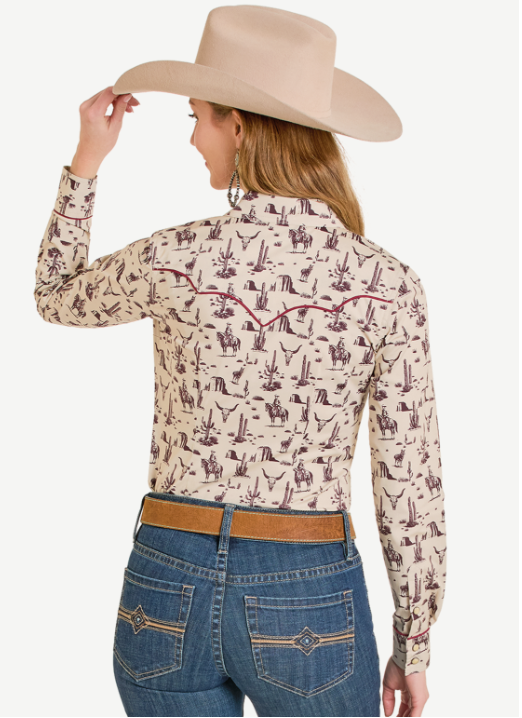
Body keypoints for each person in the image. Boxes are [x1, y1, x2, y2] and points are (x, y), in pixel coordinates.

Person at [33, 6, 446, 717]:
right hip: (307, 587)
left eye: (197, 117)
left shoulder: (177, 257)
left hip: (167, 579)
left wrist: (87, 161)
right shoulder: (387, 285)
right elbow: (409, 478)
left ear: (241, 126)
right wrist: (414, 642)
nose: (193, 138)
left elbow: (56, 295)